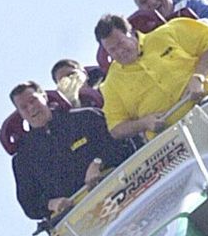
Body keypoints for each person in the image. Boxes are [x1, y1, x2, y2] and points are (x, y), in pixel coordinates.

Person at [9, 82, 133, 221]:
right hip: (81, 219)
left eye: (33, 100)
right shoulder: (24, 158)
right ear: (20, 113)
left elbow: (123, 144)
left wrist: (98, 163)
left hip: (124, 190)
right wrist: (52, 204)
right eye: (24, 107)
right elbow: (29, 203)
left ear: (44, 96)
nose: (31, 108)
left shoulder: (85, 118)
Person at [94, 13, 208, 140]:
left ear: (131, 33)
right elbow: (116, 128)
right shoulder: (112, 82)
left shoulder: (168, 33)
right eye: (112, 50)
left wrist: (198, 77)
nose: (119, 51)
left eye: (121, 43)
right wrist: (143, 123)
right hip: (169, 137)